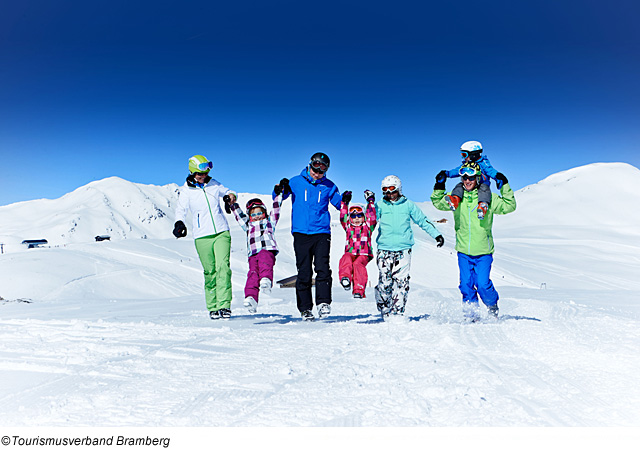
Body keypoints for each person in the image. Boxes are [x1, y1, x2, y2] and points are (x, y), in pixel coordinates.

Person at [431, 162, 516, 321]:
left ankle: (492, 305)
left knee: (483, 284)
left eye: (471, 177)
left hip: (483, 251)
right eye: (464, 177)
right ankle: (471, 315)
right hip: (464, 251)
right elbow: (437, 202)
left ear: (477, 178)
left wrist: (504, 185)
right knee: (466, 286)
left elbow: (510, 206)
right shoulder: (456, 199)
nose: (467, 181)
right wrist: (439, 184)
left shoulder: (488, 197)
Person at [274, 152, 342, 321]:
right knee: (304, 271)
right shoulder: (295, 181)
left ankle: (323, 303)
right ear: (310, 165)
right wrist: (279, 188)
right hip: (301, 233)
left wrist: (346, 200)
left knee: (323, 268)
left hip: (321, 232)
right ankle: (305, 309)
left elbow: (340, 204)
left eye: (322, 170)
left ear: (326, 170)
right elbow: (280, 196)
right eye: (315, 168)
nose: (317, 172)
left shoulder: (329, 186)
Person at [173, 155, 236, 320]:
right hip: (202, 236)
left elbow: (229, 192)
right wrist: (179, 223)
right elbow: (181, 210)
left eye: (206, 173)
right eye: (199, 174)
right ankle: (213, 306)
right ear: (192, 172)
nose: (203, 176)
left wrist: (229, 198)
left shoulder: (214, 184)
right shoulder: (186, 191)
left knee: (223, 267)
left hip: (221, 232)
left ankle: (224, 305)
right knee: (210, 271)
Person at [374, 175, 444, 320]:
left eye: (392, 190)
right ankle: (384, 306)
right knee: (385, 283)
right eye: (385, 190)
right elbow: (370, 221)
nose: (389, 194)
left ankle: (397, 312)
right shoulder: (380, 205)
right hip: (384, 249)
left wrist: (436, 235)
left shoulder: (408, 205)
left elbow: (422, 221)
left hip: (403, 249)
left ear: (399, 189)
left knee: (401, 281)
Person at [226, 195, 283, 314]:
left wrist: (279, 194)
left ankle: (266, 279)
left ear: (264, 212)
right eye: (253, 214)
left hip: (267, 249)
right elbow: (239, 216)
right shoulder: (248, 225)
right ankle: (251, 298)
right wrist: (233, 204)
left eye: (259, 213)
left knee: (264, 261)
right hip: (253, 254)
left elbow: (276, 209)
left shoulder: (269, 222)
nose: (257, 217)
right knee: (252, 274)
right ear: (249, 216)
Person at [435, 141, 508, 220]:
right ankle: (455, 200)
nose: (463, 157)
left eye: (464, 155)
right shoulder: (465, 164)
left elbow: (490, 171)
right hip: (470, 188)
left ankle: (483, 205)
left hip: (482, 185)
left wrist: (497, 176)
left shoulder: (483, 163)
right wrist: (447, 173)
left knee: (484, 189)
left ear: (473, 154)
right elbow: (457, 171)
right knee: (459, 186)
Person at [338, 189, 377, 299]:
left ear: (364, 216)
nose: (356, 219)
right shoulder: (348, 226)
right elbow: (342, 216)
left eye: (359, 216)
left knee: (357, 265)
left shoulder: (368, 226)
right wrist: (344, 203)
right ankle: (345, 278)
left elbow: (372, 216)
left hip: (364, 254)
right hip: (351, 252)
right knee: (345, 258)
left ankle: (359, 289)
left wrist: (370, 202)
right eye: (353, 216)